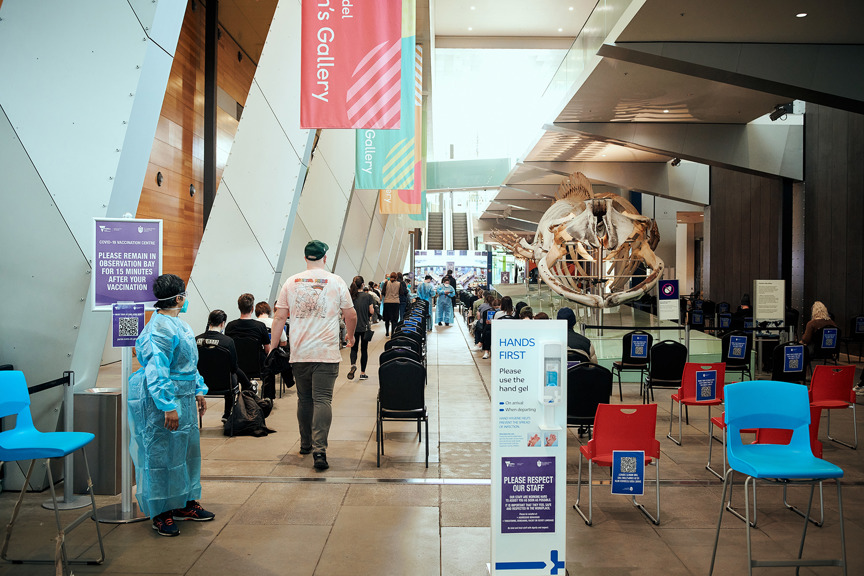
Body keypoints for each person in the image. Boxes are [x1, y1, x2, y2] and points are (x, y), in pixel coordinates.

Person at [127, 274, 214, 537]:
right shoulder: (159, 329)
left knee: (186, 452)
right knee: (160, 456)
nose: (185, 300)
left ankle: (184, 502)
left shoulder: (181, 325)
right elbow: (157, 370)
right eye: (184, 296)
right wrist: (167, 406)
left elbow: (189, 364)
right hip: (162, 401)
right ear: (178, 298)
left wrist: (198, 389)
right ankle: (161, 512)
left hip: (185, 398)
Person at [269, 241, 356, 471]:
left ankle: (305, 444)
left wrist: (272, 345)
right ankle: (320, 450)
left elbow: (279, 318)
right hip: (326, 352)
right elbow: (351, 314)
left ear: (305, 257)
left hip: (300, 352)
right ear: (325, 258)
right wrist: (350, 336)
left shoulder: (291, 281)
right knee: (323, 400)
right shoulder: (336, 281)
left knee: (304, 399)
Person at [195, 309, 254, 421]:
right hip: (225, 385)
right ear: (223, 323)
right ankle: (227, 414)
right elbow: (233, 367)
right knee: (231, 375)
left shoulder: (196, 340)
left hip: (201, 384)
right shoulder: (228, 341)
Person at [225, 293, 271, 379]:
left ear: (239, 307)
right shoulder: (260, 326)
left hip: (237, 366)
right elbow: (267, 349)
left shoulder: (230, 326)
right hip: (257, 366)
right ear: (253, 309)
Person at [348, 275, 375, 380]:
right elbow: (372, 311)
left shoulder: (351, 297)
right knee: (364, 349)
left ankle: (353, 365)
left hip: (353, 327)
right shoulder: (368, 297)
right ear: (363, 284)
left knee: (353, 348)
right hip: (364, 327)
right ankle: (362, 373)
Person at [381, 272, 402, 337]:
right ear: (396, 277)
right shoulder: (399, 284)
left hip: (387, 302)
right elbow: (401, 293)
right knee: (394, 319)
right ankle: (393, 333)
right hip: (395, 303)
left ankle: (387, 332)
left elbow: (383, 292)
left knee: (387, 319)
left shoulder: (386, 283)